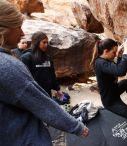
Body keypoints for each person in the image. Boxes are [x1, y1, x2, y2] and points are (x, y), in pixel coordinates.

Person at [0, 1, 89, 146]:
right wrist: (76, 126)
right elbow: (39, 102)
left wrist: (58, 90)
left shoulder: (47, 58)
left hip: (42, 96)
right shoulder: (17, 61)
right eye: (18, 27)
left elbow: (51, 75)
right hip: (26, 135)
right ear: (4, 30)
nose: (22, 32)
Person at [90, 38, 127, 139]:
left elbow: (117, 68)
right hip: (111, 101)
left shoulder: (105, 59)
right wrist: (126, 52)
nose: (114, 54)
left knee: (125, 82)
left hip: (115, 90)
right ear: (105, 51)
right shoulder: (100, 63)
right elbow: (120, 71)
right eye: (113, 52)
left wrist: (120, 56)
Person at [21, 31, 63, 98]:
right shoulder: (26, 57)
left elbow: (52, 74)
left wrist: (58, 89)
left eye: (47, 42)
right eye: (44, 42)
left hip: (47, 92)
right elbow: (23, 78)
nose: (46, 45)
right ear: (36, 42)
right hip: (33, 94)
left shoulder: (48, 58)